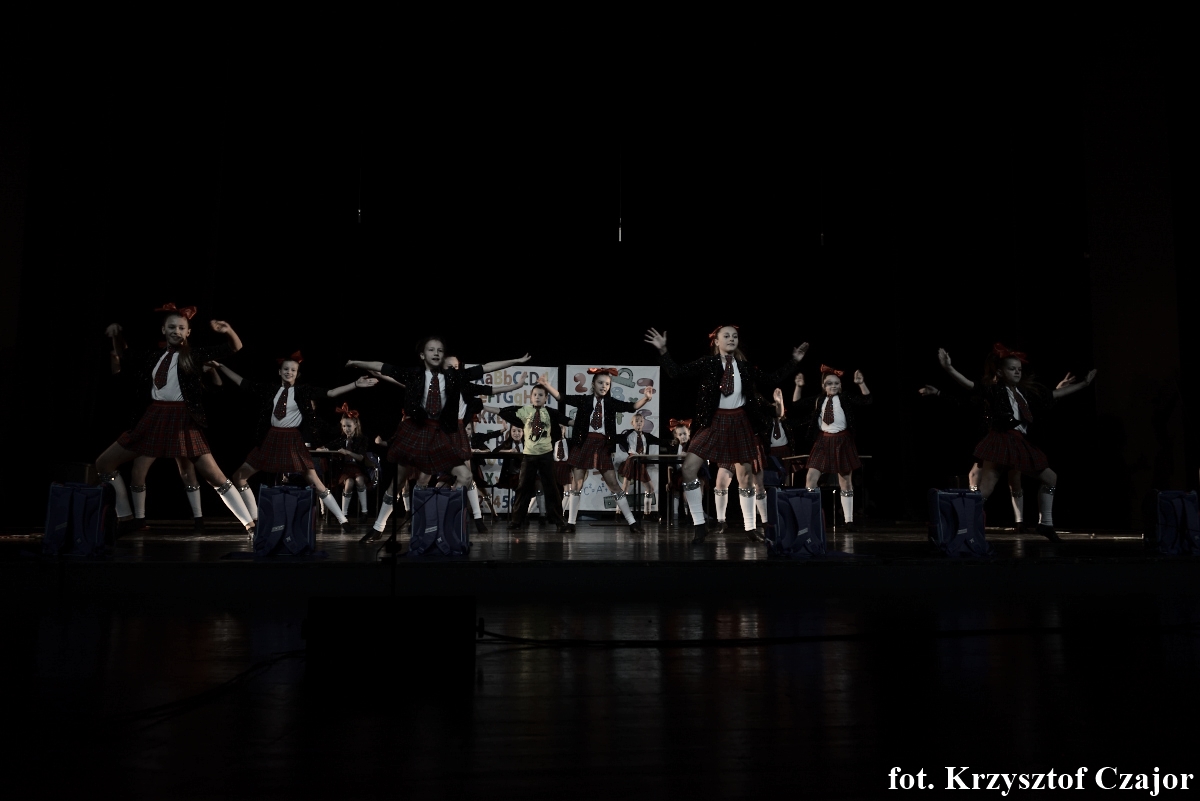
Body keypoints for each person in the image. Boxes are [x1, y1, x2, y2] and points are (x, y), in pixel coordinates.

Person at [345, 339, 533, 542]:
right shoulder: (417, 376)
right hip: (418, 433)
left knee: (465, 476)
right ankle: (379, 527)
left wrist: (515, 362)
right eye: (432, 351)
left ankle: (446, 520)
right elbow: (386, 369)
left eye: (440, 351)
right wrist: (358, 363)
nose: (438, 355)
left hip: (442, 435)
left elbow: (486, 368)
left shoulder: (457, 380)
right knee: (400, 481)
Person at [95, 303, 254, 534]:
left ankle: (250, 525)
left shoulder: (194, 355)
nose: (176, 331)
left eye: (181, 328)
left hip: (182, 419)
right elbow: (124, 355)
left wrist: (228, 330)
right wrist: (116, 336)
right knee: (104, 463)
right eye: (172, 327)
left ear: (188, 332)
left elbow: (234, 347)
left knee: (215, 477)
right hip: (154, 417)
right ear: (163, 330)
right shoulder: (154, 357)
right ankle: (126, 518)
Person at [645, 325, 807, 543]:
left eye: (735, 336)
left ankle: (750, 527)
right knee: (689, 469)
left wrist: (794, 360)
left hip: (740, 421)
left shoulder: (744, 367)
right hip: (714, 421)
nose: (731, 339)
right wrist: (663, 351)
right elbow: (677, 372)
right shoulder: (708, 363)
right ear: (716, 341)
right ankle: (699, 525)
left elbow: (772, 378)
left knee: (746, 477)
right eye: (727, 336)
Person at [937, 343, 1096, 541]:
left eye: (1019, 369)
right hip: (1001, 439)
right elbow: (970, 385)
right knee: (985, 488)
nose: (1017, 372)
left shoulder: (1023, 393)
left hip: (1018, 442)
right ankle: (960, 523)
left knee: (1050, 478)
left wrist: (1083, 385)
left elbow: (1053, 395)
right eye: (1012, 369)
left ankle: (1045, 524)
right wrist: (949, 368)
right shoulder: (995, 390)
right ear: (1000, 372)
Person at [212, 352, 378, 535]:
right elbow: (244, 383)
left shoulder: (303, 391)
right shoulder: (271, 389)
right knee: (239, 476)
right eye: (286, 369)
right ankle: (254, 522)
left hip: (292, 440)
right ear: (279, 371)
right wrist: (221, 367)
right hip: (271, 439)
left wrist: (355, 384)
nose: (289, 372)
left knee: (315, 481)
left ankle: (343, 521)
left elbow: (330, 393)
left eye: (293, 370)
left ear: (297, 374)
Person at [537, 369, 654, 535]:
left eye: (607, 384)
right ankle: (571, 523)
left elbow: (631, 407)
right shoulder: (584, 400)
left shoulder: (611, 403)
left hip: (602, 445)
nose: (604, 386)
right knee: (576, 484)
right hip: (583, 443)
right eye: (600, 383)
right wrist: (547, 385)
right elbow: (562, 397)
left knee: (614, 485)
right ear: (593, 384)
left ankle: (632, 522)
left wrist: (646, 398)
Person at [802, 365, 872, 532]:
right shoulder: (819, 400)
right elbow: (797, 404)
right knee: (811, 478)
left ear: (840, 386)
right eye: (829, 383)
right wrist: (798, 387)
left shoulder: (845, 398)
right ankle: (810, 518)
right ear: (823, 386)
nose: (833, 386)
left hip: (842, 440)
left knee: (845, 480)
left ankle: (849, 521)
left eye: (836, 383)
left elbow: (867, 401)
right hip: (823, 440)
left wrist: (861, 383)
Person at [495, 385, 572, 531]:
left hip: (546, 455)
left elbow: (567, 420)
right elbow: (505, 412)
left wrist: (582, 423)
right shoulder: (526, 410)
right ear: (531, 397)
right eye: (535, 394)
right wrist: (484, 407)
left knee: (552, 487)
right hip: (529, 455)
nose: (537, 397)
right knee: (523, 487)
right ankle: (516, 520)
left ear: (546, 398)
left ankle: (559, 520)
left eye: (541, 395)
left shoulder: (550, 412)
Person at [314, 403, 370, 521]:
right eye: (344, 426)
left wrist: (348, 452)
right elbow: (329, 445)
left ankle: (364, 512)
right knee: (349, 483)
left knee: (359, 480)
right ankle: (344, 514)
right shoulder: (341, 439)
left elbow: (360, 457)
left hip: (358, 468)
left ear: (356, 425)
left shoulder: (362, 439)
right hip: (344, 469)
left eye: (349, 426)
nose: (346, 429)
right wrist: (323, 448)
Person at [616, 411, 662, 518]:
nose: (639, 423)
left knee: (650, 488)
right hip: (632, 460)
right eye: (636, 421)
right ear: (632, 423)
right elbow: (615, 438)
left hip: (641, 462)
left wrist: (671, 442)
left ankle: (647, 513)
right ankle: (618, 512)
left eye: (641, 421)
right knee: (625, 488)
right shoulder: (628, 434)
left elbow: (659, 441)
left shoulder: (647, 436)